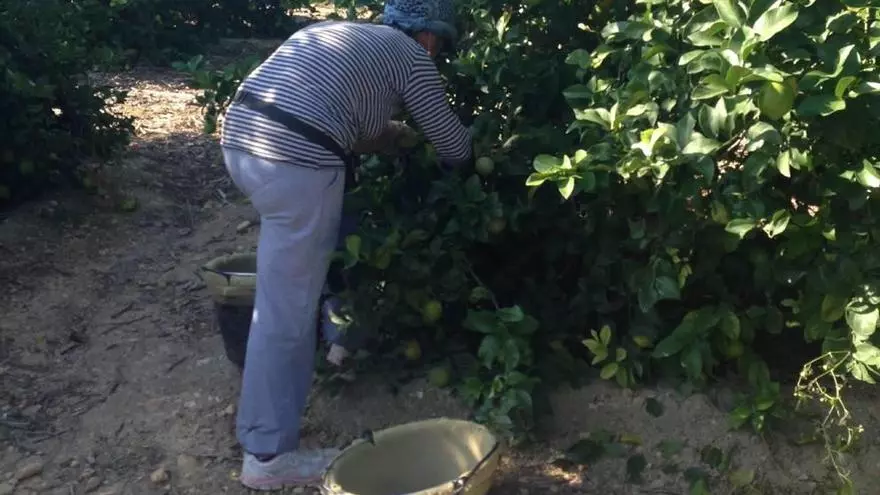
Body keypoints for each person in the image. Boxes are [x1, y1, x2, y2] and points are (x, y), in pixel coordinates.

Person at [218, 0, 473, 490]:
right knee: (286, 311)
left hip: (243, 140)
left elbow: (342, 119)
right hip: (295, 160)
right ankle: (268, 456)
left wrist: (392, 137)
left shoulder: (345, 35)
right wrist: (470, 157)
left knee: (310, 258)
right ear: (429, 37)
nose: (436, 54)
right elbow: (454, 147)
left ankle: (341, 343)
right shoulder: (413, 59)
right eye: (440, 45)